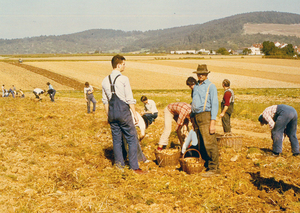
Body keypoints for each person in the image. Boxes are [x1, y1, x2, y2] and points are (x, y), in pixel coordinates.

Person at [102, 54, 146, 174]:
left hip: (112, 113)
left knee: (116, 140)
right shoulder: (123, 79)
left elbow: (105, 101)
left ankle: (119, 167)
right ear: (118, 65)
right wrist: (135, 115)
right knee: (131, 138)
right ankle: (134, 167)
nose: (124, 66)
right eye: (124, 64)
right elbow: (129, 99)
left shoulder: (105, 80)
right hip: (123, 112)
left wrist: (109, 116)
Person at [191, 64, 219, 177]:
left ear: (207, 74)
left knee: (209, 143)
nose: (200, 75)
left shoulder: (211, 86)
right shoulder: (196, 86)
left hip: (206, 116)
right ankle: (206, 164)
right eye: (199, 73)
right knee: (200, 143)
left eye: (203, 73)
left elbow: (215, 104)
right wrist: (192, 117)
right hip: (197, 116)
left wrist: (213, 121)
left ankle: (214, 168)